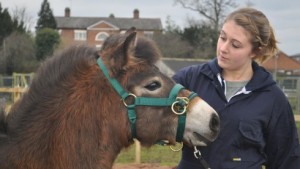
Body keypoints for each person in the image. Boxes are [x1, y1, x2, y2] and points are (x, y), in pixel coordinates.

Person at [173, 7, 300, 169]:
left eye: (235, 45)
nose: (224, 48)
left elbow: (287, 160)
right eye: (222, 37)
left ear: (255, 51)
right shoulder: (189, 79)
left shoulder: (273, 99)